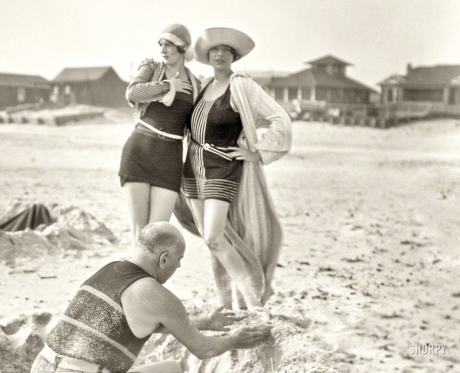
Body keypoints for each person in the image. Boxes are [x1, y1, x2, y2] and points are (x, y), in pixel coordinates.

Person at [30, 222, 271, 373]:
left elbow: (138, 324)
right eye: (179, 260)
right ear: (164, 258)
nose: (179, 267)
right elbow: (204, 349)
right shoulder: (155, 294)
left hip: (42, 365)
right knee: (178, 371)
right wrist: (235, 340)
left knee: (171, 369)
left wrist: (206, 322)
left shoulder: (109, 270)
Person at [180, 27, 292, 318]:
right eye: (214, 50)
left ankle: (253, 302)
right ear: (207, 56)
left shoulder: (242, 86)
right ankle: (227, 304)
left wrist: (257, 153)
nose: (219, 54)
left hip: (223, 167)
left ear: (233, 56)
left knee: (214, 237)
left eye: (226, 51)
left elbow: (280, 118)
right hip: (192, 169)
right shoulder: (203, 85)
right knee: (213, 241)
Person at [119, 24, 201, 246]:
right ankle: (139, 280)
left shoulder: (196, 84)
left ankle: (146, 279)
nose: (163, 50)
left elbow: (199, 124)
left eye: (169, 45)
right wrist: (167, 86)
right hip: (139, 151)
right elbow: (132, 93)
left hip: (170, 158)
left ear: (182, 48)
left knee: (156, 234)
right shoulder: (151, 67)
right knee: (139, 231)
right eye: (161, 44)